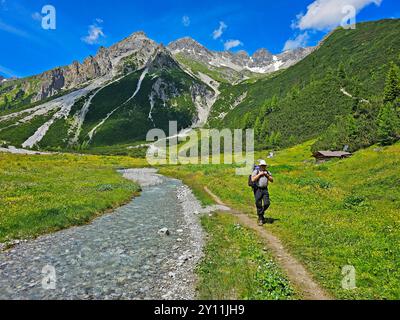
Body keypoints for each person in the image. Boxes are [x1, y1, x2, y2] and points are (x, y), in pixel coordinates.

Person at [251, 160, 274, 226]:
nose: (263, 167)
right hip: (257, 189)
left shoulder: (267, 172)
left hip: (265, 189)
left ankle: (260, 213)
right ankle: (260, 219)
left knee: (267, 203)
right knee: (258, 203)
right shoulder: (256, 171)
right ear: (259, 166)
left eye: (264, 166)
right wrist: (259, 174)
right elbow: (253, 179)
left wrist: (267, 175)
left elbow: (272, 180)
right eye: (262, 166)